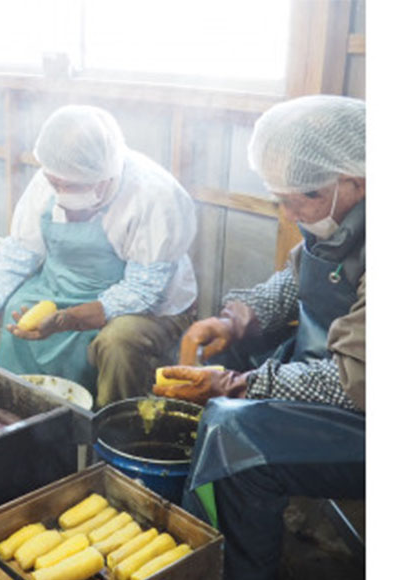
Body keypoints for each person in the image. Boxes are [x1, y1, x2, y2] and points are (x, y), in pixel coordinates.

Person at [153, 95, 365, 580]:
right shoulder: (341, 220)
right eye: (279, 199)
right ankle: (228, 524)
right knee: (233, 354)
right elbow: (294, 283)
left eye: (301, 198)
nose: (289, 214)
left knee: (236, 440)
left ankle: (240, 566)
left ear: (355, 179)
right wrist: (233, 321)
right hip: (326, 371)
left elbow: (354, 380)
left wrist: (238, 384)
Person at [0, 105, 198, 408]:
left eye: (71, 186)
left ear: (104, 176)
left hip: (149, 306)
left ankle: (109, 422)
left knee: (116, 342)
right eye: (54, 183)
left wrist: (66, 320)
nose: (59, 192)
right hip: (63, 284)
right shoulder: (50, 177)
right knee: (18, 307)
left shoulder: (154, 196)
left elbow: (143, 291)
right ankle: (22, 410)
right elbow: (17, 254)